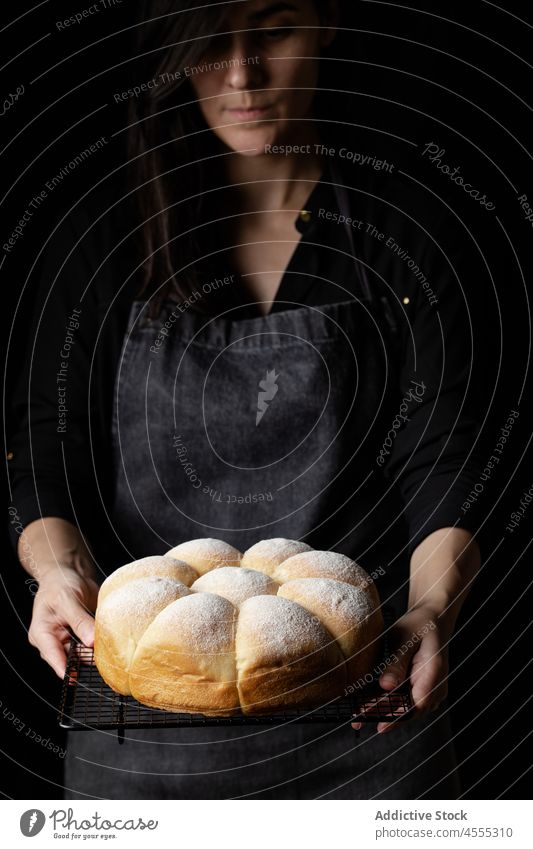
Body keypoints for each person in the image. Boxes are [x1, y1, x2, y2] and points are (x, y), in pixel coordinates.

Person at [8, 0, 484, 799]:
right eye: (208, 44)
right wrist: (57, 574)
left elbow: (445, 450)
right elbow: (41, 439)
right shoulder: (110, 230)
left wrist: (431, 609)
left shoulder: (406, 229)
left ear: (325, 20)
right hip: (140, 723)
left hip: (367, 710)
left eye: (271, 30)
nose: (241, 73)